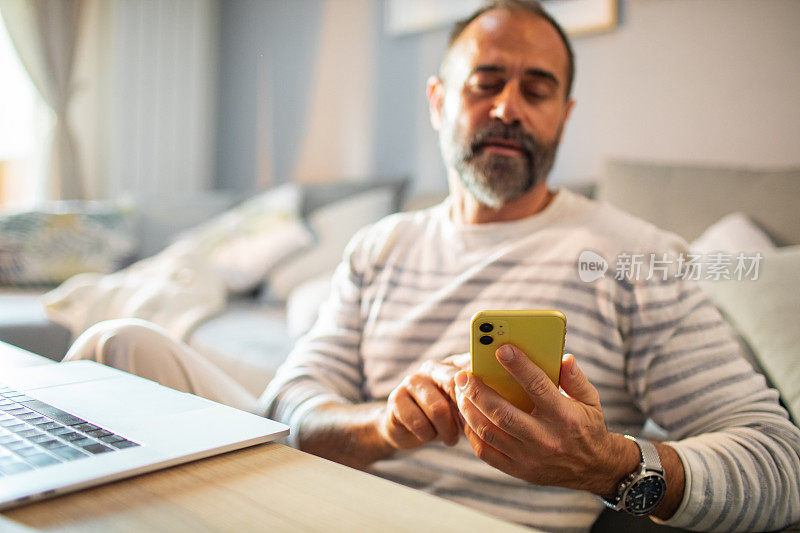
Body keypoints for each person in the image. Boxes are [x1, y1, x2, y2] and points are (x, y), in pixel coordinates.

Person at [66, 1, 800, 531]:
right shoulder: (380, 245)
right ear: (439, 100)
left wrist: (607, 465)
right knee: (116, 343)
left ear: (564, 115)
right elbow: (291, 406)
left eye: (537, 88)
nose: (509, 106)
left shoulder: (636, 258)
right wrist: (383, 426)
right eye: (486, 81)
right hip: (318, 499)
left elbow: (779, 464)